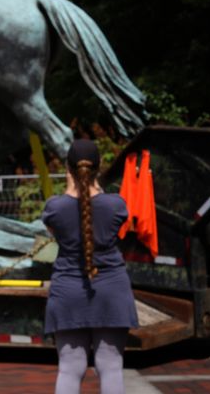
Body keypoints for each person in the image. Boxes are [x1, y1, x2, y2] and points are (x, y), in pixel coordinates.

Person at [41, 140, 138, 394]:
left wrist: (72, 187)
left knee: (70, 368)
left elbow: (57, 231)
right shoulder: (116, 205)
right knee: (111, 366)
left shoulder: (54, 208)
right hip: (111, 289)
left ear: (68, 169)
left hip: (68, 289)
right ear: (99, 167)